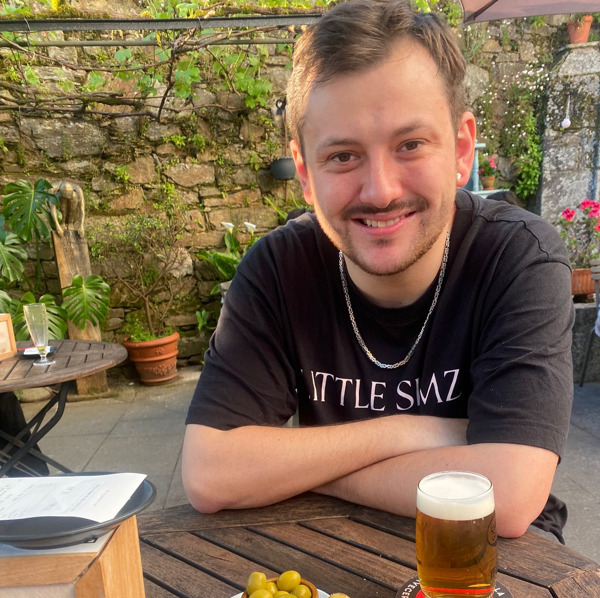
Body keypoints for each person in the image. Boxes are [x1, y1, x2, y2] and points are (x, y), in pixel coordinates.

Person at [182, 0, 574, 540]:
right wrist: (411, 432)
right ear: (306, 173)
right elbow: (209, 473)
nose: (381, 191)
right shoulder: (278, 268)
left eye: (410, 145)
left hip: (498, 561)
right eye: (343, 156)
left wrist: (295, 471)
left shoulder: (517, 257)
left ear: (461, 150)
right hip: (333, 550)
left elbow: (505, 497)